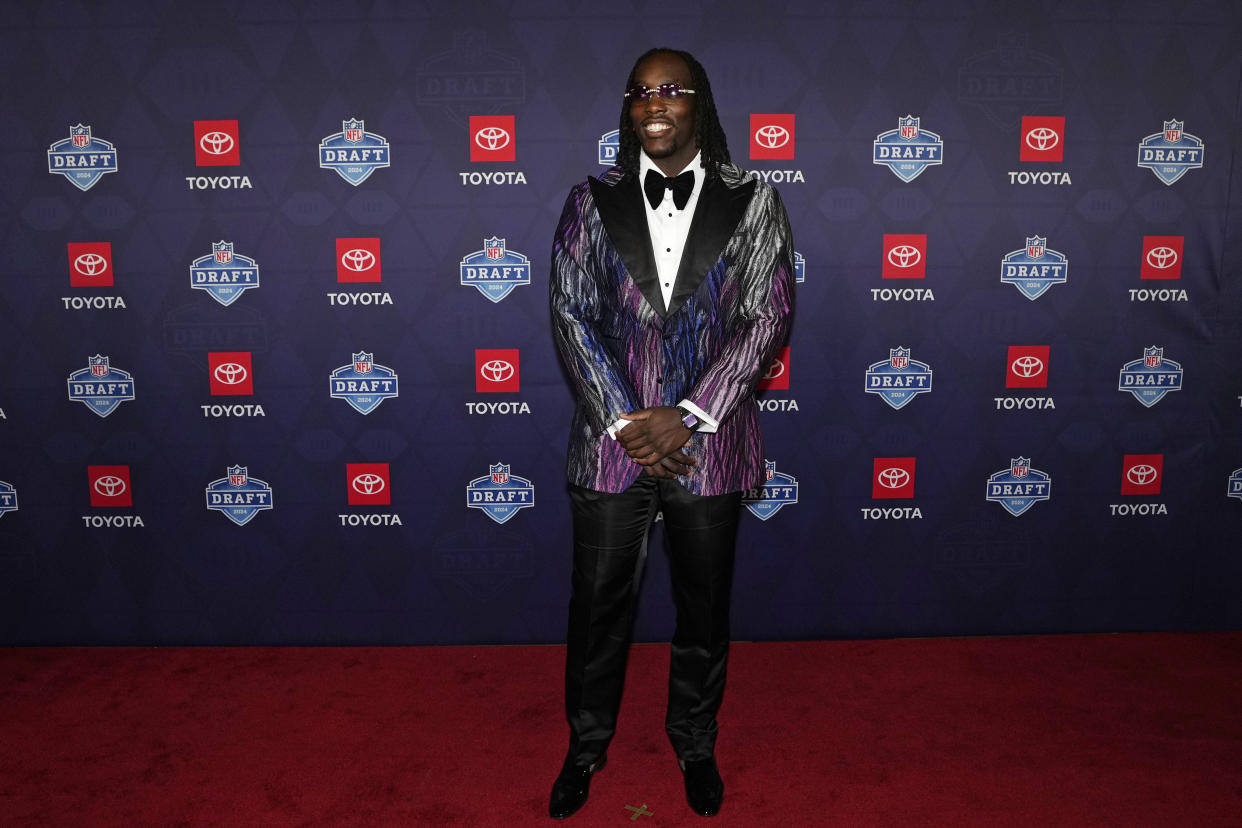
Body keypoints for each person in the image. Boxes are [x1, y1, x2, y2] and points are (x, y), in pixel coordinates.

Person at [547, 47, 795, 819]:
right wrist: (628, 420)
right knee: (597, 609)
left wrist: (686, 416)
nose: (654, 104)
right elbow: (570, 313)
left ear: (700, 102)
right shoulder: (590, 201)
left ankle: (694, 741)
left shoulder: (754, 198)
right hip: (613, 445)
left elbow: (768, 315)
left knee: (703, 607)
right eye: (640, 92)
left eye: (671, 90)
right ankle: (585, 747)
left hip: (709, 446)